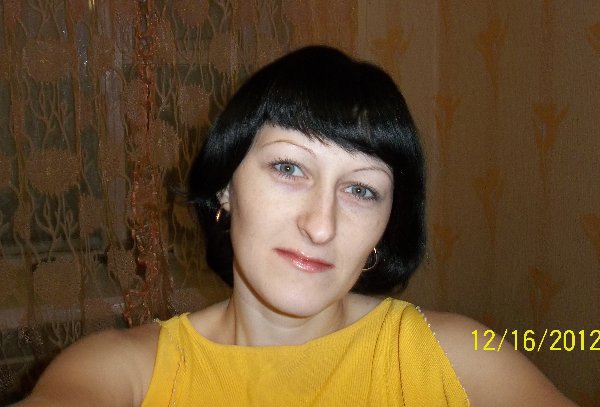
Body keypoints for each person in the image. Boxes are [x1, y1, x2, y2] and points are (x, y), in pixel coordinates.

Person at [16, 46, 574, 406]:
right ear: (226, 187)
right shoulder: (126, 372)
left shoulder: (454, 356)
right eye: (288, 168)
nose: (321, 225)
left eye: (361, 190)